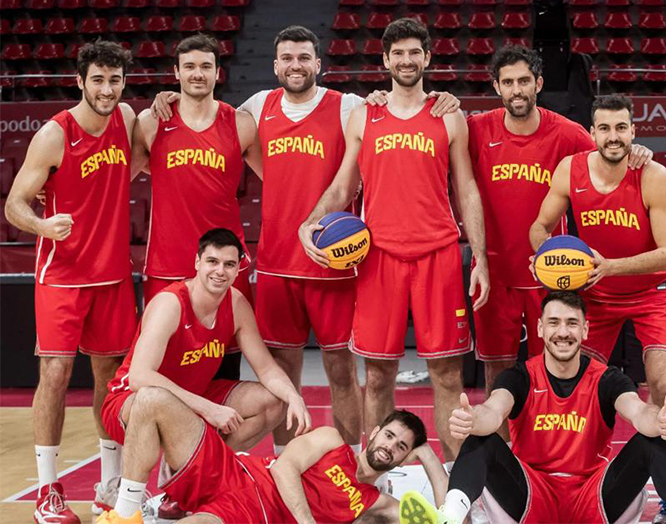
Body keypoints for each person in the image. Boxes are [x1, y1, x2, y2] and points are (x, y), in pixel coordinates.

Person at [149, 25, 461, 455]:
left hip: (334, 263)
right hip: (277, 264)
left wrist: (444, 98)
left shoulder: (348, 106)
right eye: (287, 59)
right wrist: (169, 97)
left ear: (318, 63)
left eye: (303, 58)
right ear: (275, 65)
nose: (295, 66)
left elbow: (396, 105)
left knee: (341, 370)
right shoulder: (256, 108)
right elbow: (205, 113)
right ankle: (285, 462)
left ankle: (350, 463)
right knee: (281, 372)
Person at [299, 17, 489, 462]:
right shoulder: (365, 115)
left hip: (438, 254)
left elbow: (466, 189)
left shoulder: (449, 115)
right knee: (379, 376)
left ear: (427, 57)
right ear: (385, 60)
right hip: (379, 257)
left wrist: (479, 255)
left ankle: (456, 482)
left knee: (447, 375)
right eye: (398, 53)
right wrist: (311, 222)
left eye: (414, 52)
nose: (406, 60)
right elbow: (344, 185)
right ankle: (379, 475)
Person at [396, 291, 666, 524]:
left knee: (653, 441)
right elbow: (494, 410)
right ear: (539, 328)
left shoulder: (607, 379)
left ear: (585, 330)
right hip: (529, 496)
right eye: (554, 322)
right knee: (481, 441)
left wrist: (660, 421)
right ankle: (449, 518)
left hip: (595, 498)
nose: (562, 332)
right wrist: (473, 419)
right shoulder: (520, 376)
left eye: (571, 323)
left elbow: (637, 411)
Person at [467, 44, 651, 406]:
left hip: (552, 273)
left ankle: (549, 440)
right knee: (497, 375)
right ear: (496, 86)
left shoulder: (568, 134)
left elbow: (610, 153)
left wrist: (638, 151)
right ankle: (501, 442)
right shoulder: (476, 129)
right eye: (508, 82)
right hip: (494, 274)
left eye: (524, 81)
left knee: (553, 370)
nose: (516, 90)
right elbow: (434, 129)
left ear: (538, 83)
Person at [5, 40, 138, 524]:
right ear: (80, 81)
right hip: (62, 275)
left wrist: (167, 98)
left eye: (114, 80)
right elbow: (14, 204)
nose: (106, 89)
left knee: (110, 377)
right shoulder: (54, 134)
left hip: (113, 275)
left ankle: (109, 483)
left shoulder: (127, 118)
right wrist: (42, 225)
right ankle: (47, 491)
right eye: (97, 79)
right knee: (56, 375)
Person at [99, 228, 311, 518]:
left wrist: (294, 397)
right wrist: (208, 409)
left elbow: (265, 367)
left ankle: (187, 486)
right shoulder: (170, 304)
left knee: (274, 401)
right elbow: (139, 377)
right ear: (197, 262)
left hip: (190, 398)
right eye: (212, 261)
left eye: (229, 264)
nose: (220, 271)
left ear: (238, 269)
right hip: (129, 402)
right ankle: (126, 512)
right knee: (152, 399)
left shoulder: (236, 303)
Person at [529, 94, 666, 448]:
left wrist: (611, 267)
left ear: (633, 131)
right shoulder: (570, 170)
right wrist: (544, 255)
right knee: (574, 382)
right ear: (592, 133)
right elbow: (539, 227)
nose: (613, 137)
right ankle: (584, 469)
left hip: (653, 294)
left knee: (663, 385)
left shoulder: (653, 175)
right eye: (604, 128)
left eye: (620, 128)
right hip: (596, 296)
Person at [94, 408, 447, 524]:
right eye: (389, 436)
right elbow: (283, 469)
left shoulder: (374, 501)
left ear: (405, 458)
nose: (389, 447)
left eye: (401, 447)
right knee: (153, 402)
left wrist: (428, 455)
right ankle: (126, 511)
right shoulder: (331, 440)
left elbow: (444, 519)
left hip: (251, 513)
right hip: (235, 471)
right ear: (375, 433)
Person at [133, 34, 257, 305]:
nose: (197, 74)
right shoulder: (151, 123)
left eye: (205, 66)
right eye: (189, 66)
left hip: (225, 262)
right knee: (163, 332)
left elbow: (278, 177)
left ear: (218, 72)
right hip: (167, 263)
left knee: (233, 334)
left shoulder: (241, 124)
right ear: (176, 72)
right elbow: (112, 178)